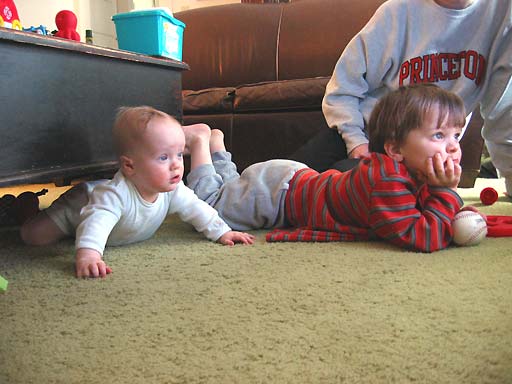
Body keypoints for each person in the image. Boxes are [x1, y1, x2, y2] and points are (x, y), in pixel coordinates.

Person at [186, 84, 481, 253]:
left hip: (289, 180)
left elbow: (428, 209)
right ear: (395, 150)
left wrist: (445, 197)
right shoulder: (388, 180)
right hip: (276, 196)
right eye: (438, 136)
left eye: (455, 135)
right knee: (213, 206)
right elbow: (420, 236)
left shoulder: (409, 171)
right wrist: (446, 191)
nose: (453, 146)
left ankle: (218, 148)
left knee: (234, 190)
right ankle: (200, 142)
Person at [289, 0, 512, 197]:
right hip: (360, 134)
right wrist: (356, 141)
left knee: (349, 192)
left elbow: (503, 111)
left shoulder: (503, 13)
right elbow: (344, 88)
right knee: (287, 181)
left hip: (416, 154)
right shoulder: (396, 13)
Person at [20, 106, 254, 278]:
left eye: (179, 155)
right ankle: (26, 208)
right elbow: (96, 223)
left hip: (102, 195)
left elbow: (197, 208)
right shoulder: (114, 196)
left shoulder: (172, 189)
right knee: (33, 236)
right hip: (79, 205)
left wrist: (222, 232)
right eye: (163, 157)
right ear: (130, 165)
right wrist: (89, 254)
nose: (176, 165)